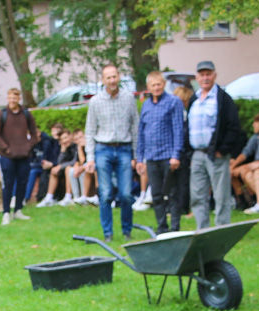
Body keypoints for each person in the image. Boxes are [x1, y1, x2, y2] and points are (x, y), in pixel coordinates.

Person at [187, 61, 245, 229]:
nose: (205, 78)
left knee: (221, 195)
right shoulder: (195, 98)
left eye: (208, 74)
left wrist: (223, 149)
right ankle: (202, 230)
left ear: (215, 75)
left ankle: (221, 229)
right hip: (197, 154)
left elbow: (234, 127)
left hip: (216, 154)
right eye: (202, 75)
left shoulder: (223, 99)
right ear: (197, 77)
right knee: (198, 195)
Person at [84, 64, 138, 242]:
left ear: (119, 77)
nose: (112, 80)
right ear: (103, 80)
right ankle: (108, 233)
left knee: (126, 194)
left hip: (124, 148)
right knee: (105, 194)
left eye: (114, 76)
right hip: (103, 149)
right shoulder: (96, 101)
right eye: (108, 77)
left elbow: (135, 127)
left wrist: (136, 155)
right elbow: (90, 131)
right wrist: (90, 157)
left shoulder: (129, 98)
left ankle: (127, 231)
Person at [135, 71, 184, 234]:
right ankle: (162, 227)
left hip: (168, 156)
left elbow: (178, 129)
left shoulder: (173, 102)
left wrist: (176, 155)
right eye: (153, 85)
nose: (156, 88)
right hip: (151, 156)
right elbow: (141, 132)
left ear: (164, 85)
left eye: (159, 84)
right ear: (148, 87)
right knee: (156, 194)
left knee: (172, 193)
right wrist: (139, 158)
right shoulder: (146, 105)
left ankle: (175, 227)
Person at [0, 87, 39, 225]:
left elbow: (34, 134)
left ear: (19, 99)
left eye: (15, 98)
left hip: (23, 155)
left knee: (22, 183)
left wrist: (28, 146)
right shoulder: (2, 114)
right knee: (8, 184)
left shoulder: (26, 113)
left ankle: (18, 209)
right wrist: (5, 148)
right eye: (10, 98)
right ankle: (6, 212)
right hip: (7, 156)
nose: (12, 100)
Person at [233, 113, 259, 213]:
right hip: (257, 165)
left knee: (245, 171)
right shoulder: (256, 137)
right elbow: (245, 153)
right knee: (237, 172)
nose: (253, 125)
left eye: (256, 122)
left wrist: (244, 166)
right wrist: (233, 166)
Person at [172, 86, 195, 220]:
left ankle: (184, 207)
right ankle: (178, 207)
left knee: (185, 182)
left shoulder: (188, 115)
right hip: (179, 152)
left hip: (187, 153)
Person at [38, 130, 78, 206]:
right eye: (62, 139)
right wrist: (63, 151)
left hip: (73, 169)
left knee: (68, 169)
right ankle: (49, 197)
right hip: (66, 169)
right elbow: (59, 162)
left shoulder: (75, 146)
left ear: (70, 136)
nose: (65, 140)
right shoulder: (65, 147)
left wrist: (60, 166)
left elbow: (74, 161)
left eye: (66, 137)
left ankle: (68, 197)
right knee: (54, 170)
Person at [31, 123, 62, 206]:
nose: (55, 133)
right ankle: (44, 197)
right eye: (53, 131)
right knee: (45, 171)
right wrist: (47, 163)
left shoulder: (62, 144)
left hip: (60, 166)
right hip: (51, 165)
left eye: (57, 131)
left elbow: (63, 159)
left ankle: (52, 197)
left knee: (53, 171)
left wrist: (53, 164)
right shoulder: (50, 142)